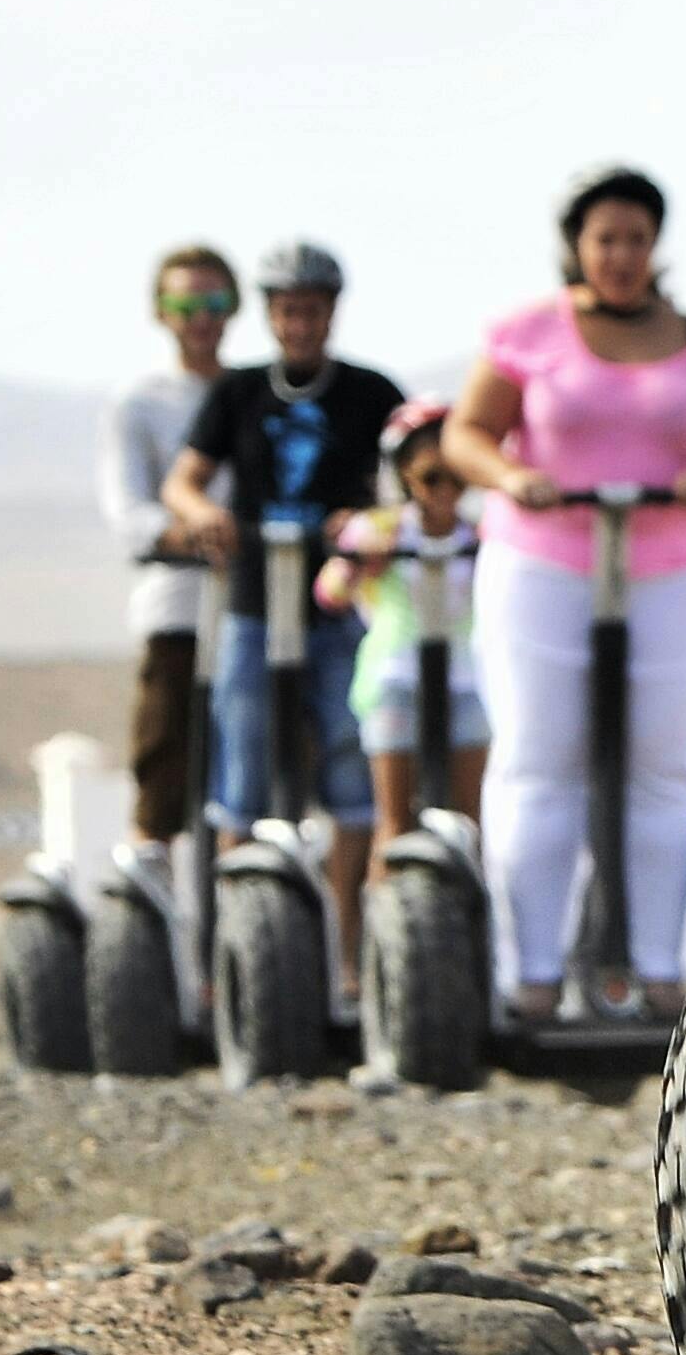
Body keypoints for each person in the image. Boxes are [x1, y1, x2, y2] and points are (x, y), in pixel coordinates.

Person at [442, 169, 686, 1027]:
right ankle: (532, 975)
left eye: (636, 238)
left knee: (662, 766)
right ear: (578, 246)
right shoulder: (531, 335)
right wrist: (515, 476)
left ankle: (664, 972)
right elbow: (466, 435)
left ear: (656, 245)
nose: (622, 255)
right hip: (545, 565)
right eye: (605, 239)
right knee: (541, 760)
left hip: (670, 568)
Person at [159, 245, 410, 962]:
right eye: (288, 310)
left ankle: (351, 954)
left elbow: (409, 486)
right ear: (269, 314)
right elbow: (184, 481)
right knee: (241, 761)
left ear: (332, 312)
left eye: (313, 310)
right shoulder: (238, 392)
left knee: (347, 757)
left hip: (337, 606)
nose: (300, 324)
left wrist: (365, 525)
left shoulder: (369, 393)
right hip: (250, 603)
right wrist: (202, 513)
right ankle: (236, 950)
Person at [308, 400, 495, 1011]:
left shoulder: (482, 534)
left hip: (467, 683)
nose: (446, 492)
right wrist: (362, 558)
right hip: (394, 681)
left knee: (470, 823)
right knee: (394, 821)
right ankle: (368, 960)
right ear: (404, 478)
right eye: (430, 479)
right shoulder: (382, 531)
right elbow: (330, 592)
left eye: (457, 478)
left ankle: (474, 954)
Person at [100, 245, 234, 857]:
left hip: (253, 607)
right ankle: (149, 918)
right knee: (163, 766)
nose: (200, 318)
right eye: (186, 304)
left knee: (247, 769)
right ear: (162, 311)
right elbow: (127, 509)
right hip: (176, 606)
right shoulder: (140, 399)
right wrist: (191, 535)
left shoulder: (249, 392)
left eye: (213, 302)